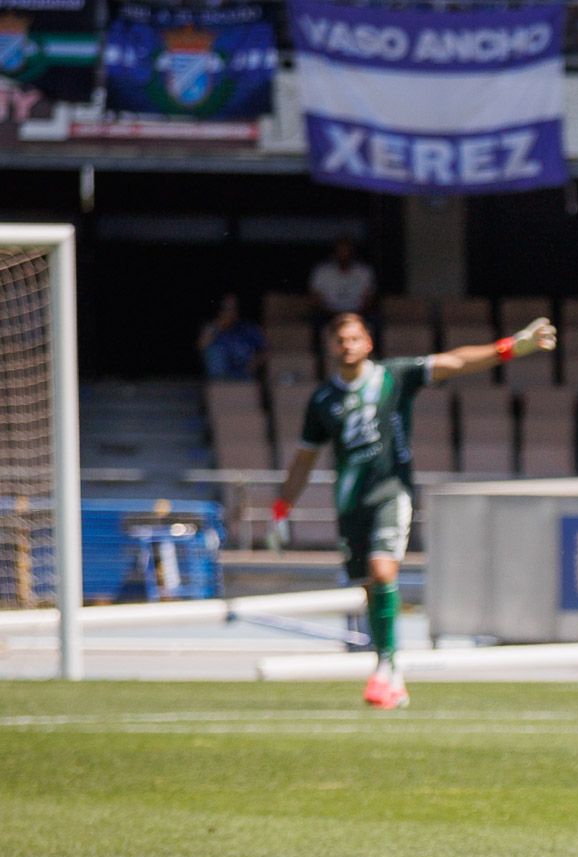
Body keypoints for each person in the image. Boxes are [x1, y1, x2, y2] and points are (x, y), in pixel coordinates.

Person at [271, 310, 556, 709]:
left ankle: (387, 667)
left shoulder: (393, 376)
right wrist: (282, 506)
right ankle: (389, 670)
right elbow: (304, 459)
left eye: (355, 338)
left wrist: (510, 347)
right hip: (351, 504)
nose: (348, 346)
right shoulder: (322, 400)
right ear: (330, 347)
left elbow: (454, 362)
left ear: (368, 342)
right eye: (340, 340)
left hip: (392, 491)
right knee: (371, 586)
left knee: (382, 569)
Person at [197, 293, 266, 381]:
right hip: (220, 375)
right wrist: (218, 326)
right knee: (213, 350)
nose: (230, 312)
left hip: (243, 371)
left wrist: (255, 362)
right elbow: (201, 346)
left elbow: (266, 350)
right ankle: (219, 385)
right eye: (225, 308)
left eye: (233, 308)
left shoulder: (249, 328)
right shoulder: (212, 327)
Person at [308, 238, 377, 320]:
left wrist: (355, 314)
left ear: (353, 252)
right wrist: (331, 313)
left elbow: (369, 298)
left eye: (347, 251)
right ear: (334, 252)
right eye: (341, 251)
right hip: (328, 313)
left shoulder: (364, 271)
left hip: (358, 313)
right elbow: (316, 297)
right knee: (316, 319)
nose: (344, 254)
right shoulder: (322, 271)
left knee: (375, 321)